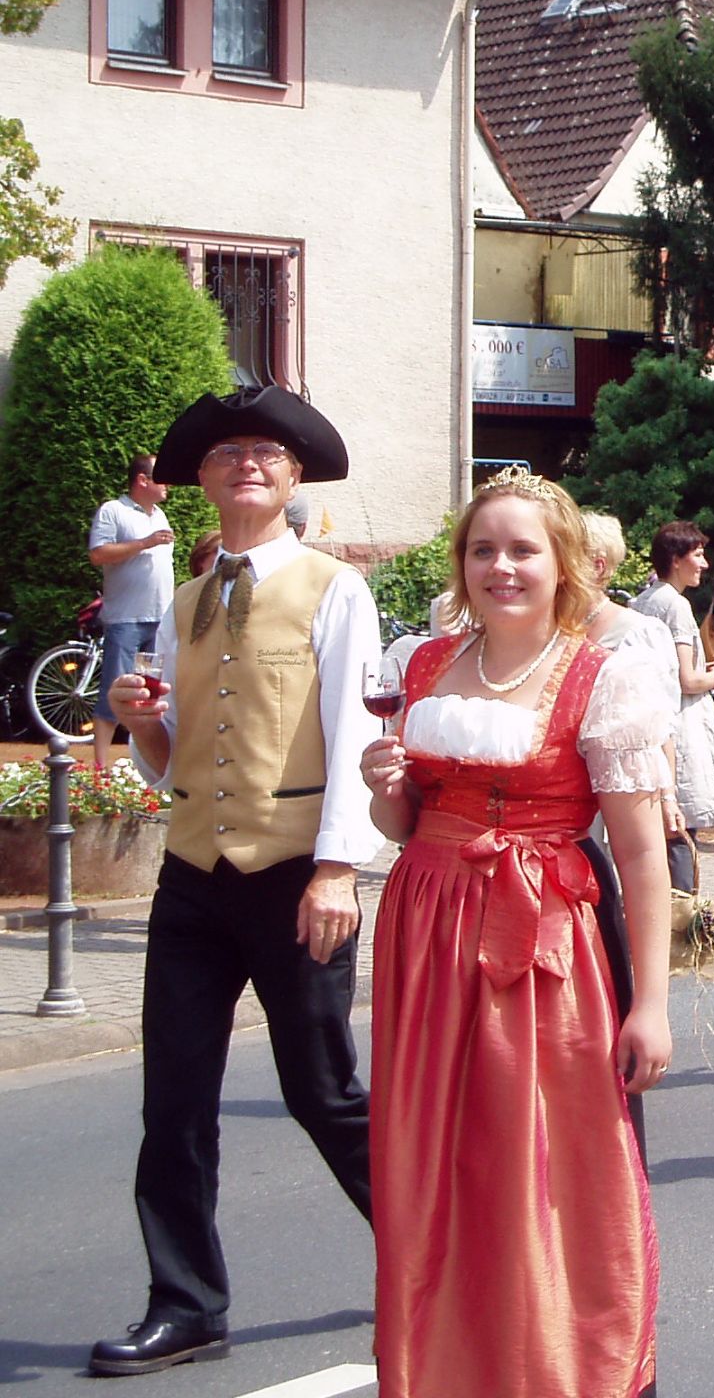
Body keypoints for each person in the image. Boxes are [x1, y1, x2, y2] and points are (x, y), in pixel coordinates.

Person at [357, 472, 670, 1398]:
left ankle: (564, 1368)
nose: (502, 567)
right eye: (483, 549)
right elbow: (403, 825)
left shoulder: (600, 675)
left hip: (543, 944)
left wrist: (650, 1004)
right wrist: (386, 789)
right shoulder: (422, 664)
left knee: (546, 1164)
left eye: (523, 549)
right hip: (424, 933)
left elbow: (644, 857)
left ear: (564, 563)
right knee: (433, 1165)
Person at [94, 388, 378, 1378]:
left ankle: (436, 1249)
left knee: (325, 1093)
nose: (247, 465)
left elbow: (357, 734)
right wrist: (140, 721)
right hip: (192, 879)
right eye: (227, 455)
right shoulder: (188, 597)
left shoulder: (333, 589)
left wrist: (340, 867)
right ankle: (186, 1302)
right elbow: (174, 764)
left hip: (297, 871)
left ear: (293, 477)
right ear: (203, 480)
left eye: (266, 453)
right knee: (171, 1100)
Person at [630, 520, 714, 892]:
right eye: (697, 555)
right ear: (676, 559)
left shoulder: (644, 600)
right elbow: (686, 680)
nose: (704, 563)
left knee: (661, 827)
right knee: (680, 828)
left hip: (648, 721)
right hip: (677, 727)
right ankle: (683, 913)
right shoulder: (675, 605)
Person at [87, 453, 174, 771]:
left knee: (153, 698)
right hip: (126, 618)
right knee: (115, 690)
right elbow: (98, 554)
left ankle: (148, 766)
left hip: (160, 617)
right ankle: (100, 767)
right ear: (142, 480)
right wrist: (144, 543)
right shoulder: (114, 511)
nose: (168, 486)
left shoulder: (159, 515)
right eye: (161, 479)